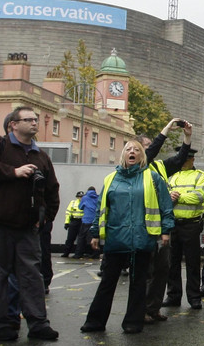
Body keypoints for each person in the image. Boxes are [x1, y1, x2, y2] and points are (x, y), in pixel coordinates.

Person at [0, 106, 60, 342]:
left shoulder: (41, 156)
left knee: (32, 276)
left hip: (26, 226)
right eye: (28, 119)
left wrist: (45, 218)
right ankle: (0, 325)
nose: (34, 123)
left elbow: (52, 190)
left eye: (36, 119)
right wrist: (13, 172)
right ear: (13, 124)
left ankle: (38, 323)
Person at [81, 140, 175, 334]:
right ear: (123, 154)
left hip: (142, 238)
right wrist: (95, 233)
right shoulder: (111, 178)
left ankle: (133, 322)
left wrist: (165, 231)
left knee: (138, 282)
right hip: (116, 237)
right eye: (128, 149)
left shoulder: (153, 178)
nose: (132, 152)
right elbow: (101, 208)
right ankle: (95, 322)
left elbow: (165, 206)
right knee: (108, 281)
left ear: (142, 156)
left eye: (137, 150)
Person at [140, 120, 194, 322]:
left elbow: (180, 159)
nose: (149, 148)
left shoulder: (160, 166)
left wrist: (187, 137)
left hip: (162, 225)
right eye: (145, 146)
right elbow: (152, 151)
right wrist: (165, 130)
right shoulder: (139, 166)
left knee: (163, 269)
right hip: (144, 226)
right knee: (147, 271)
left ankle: (153, 308)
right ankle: (142, 309)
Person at [164, 149, 204, 310]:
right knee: (172, 262)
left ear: (192, 159)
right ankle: (173, 296)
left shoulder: (201, 176)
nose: (182, 161)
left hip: (191, 224)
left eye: (185, 159)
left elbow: (199, 196)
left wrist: (178, 197)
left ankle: (194, 297)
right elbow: (164, 196)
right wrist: (170, 197)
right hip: (173, 223)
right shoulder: (171, 175)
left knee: (193, 262)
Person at [77, 186, 100, 258]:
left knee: (81, 237)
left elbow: (80, 207)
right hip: (95, 220)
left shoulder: (85, 198)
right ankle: (95, 253)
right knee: (94, 237)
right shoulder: (98, 197)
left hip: (86, 220)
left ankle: (78, 254)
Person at [61, 192, 84, 258]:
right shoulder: (73, 203)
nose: (80, 198)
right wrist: (67, 222)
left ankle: (78, 253)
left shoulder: (85, 202)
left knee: (81, 239)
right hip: (74, 220)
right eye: (79, 196)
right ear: (77, 197)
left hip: (82, 221)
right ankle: (66, 252)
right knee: (70, 238)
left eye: (81, 196)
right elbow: (68, 213)